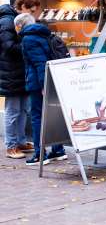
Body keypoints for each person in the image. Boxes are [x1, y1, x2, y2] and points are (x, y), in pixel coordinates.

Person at [16, 13, 66, 166]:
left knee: (37, 117)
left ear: (20, 25)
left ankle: (40, 154)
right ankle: (58, 150)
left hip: (38, 84)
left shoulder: (28, 39)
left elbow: (40, 63)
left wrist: (44, 85)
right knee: (54, 114)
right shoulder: (44, 33)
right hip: (52, 79)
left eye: (16, 26)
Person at [1, 2, 31, 159]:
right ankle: (11, 146)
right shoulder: (7, 21)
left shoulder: (15, 19)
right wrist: (28, 44)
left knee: (23, 109)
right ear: (22, 6)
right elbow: (8, 46)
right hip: (10, 73)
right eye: (30, 10)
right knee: (13, 111)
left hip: (19, 72)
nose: (32, 14)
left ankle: (20, 141)